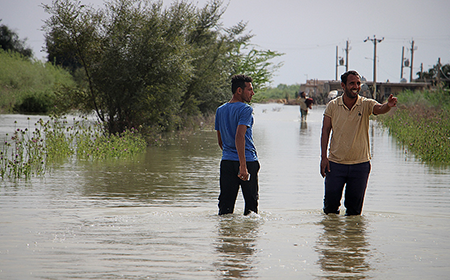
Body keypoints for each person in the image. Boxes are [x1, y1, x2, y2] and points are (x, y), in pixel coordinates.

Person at [320, 70, 397, 215]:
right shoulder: (332, 106)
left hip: (360, 165)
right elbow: (325, 131)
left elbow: (379, 109)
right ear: (343, 85)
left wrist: (388, 105)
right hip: (335, 164)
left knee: (354, 212)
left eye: (358, 83)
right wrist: (324, 158)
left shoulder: (365, 104)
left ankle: (352, 237)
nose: (355, 86)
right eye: (352, 83)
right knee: (330, 209)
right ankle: (331, 236)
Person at [215, 74, 260, 215]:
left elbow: (221, 141)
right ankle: (249, 236)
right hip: (247, 162)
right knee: (251, 210)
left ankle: (227, 237)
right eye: (250, 89)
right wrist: (243, 166)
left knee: (225, 209)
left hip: (227, 162)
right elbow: (240, 136)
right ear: (239, 91)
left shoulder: (220, 110)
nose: (252, 93)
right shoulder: (246, 109)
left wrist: (231, 155)